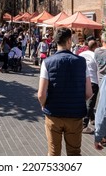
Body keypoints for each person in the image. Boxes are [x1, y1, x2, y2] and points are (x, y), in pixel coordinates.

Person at [37, 27, 93, 156]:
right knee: (74, 152)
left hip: (53, 114)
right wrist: (77, 100)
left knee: (53, 152)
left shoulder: (47, 62)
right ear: (69, 41)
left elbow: (41, 94)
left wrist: (43, 104)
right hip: (75, 115)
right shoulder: (81, 62)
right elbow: (89, 92)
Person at [79, 40, 99, 133]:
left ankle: (92, 119)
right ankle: (84, 125)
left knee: (83, 101)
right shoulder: (95, 55)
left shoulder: (81, 54)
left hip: (81, 80)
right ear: (95, 47)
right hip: (93, 81)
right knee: (90, 104)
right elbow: (98, 69)